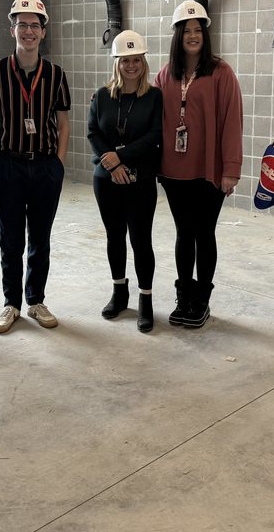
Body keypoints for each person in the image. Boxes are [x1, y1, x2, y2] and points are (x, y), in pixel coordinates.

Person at [0, 0, 71, 334]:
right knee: (10, 240)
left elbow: (63, 124)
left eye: (34, 25)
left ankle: (35, 300)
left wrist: (58, 164)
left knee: (40, 239)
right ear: (12, 30)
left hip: (45, 166)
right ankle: (11, 303)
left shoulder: (56, 75)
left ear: (43, 32)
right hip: (9, 165)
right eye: (22, 25)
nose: (28, 31)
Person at [154, 0, 243, 329]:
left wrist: (230, 169)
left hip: (209, 171)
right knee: (184, 232)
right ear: (177, 36)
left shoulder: (221, 72)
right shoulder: (166, 74)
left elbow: (232, 122)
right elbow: (147, 108)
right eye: (186, 31)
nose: (193, 36)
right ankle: (184, 296)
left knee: (204, 233)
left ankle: (201, 298)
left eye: (198, 31)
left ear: (205, 35)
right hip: (174, 171)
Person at [87, 30, 163, 332]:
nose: (131, 66)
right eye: (125, 60)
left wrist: (120, 157)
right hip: (106, 179)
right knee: (114, 236)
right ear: (116, 63)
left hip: (140, 179)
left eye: (136, 60)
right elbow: (93, 132)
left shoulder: (154, 96)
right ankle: (119, 293)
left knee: (141, 240)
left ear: (143, 62)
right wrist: (111, 162)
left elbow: (155, 135)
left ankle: (146, 299)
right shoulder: (102, 95)